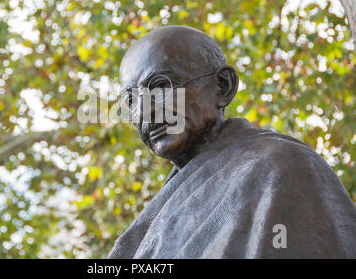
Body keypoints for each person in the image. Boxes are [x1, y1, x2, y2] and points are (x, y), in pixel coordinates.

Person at [108, 25, 356, 258]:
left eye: (161, 86)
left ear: (222, 86)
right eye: (130, 101)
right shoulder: (160, 211)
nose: (143, 112)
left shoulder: (280, 166)